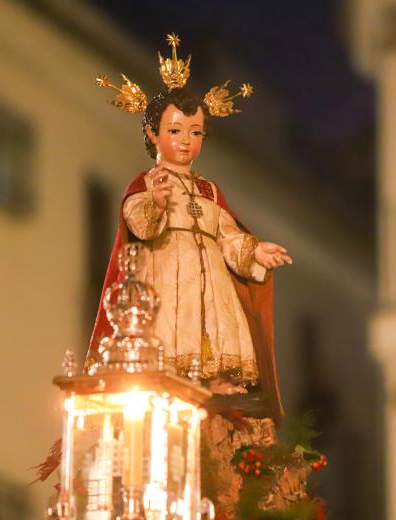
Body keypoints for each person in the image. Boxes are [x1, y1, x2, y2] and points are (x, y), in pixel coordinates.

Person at [88, 35, 291, 419]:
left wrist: (255, 251)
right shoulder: (146, 182)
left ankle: (213, 382)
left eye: (195, 132)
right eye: (176, 131)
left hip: (210, 275)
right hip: (167, 272)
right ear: (153, 134)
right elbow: (137, 222)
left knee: (214, 324)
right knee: (173, 328)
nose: (186, 141)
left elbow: (228, 236)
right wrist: (157, 203)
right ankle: (173, 378)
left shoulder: (209, 190)